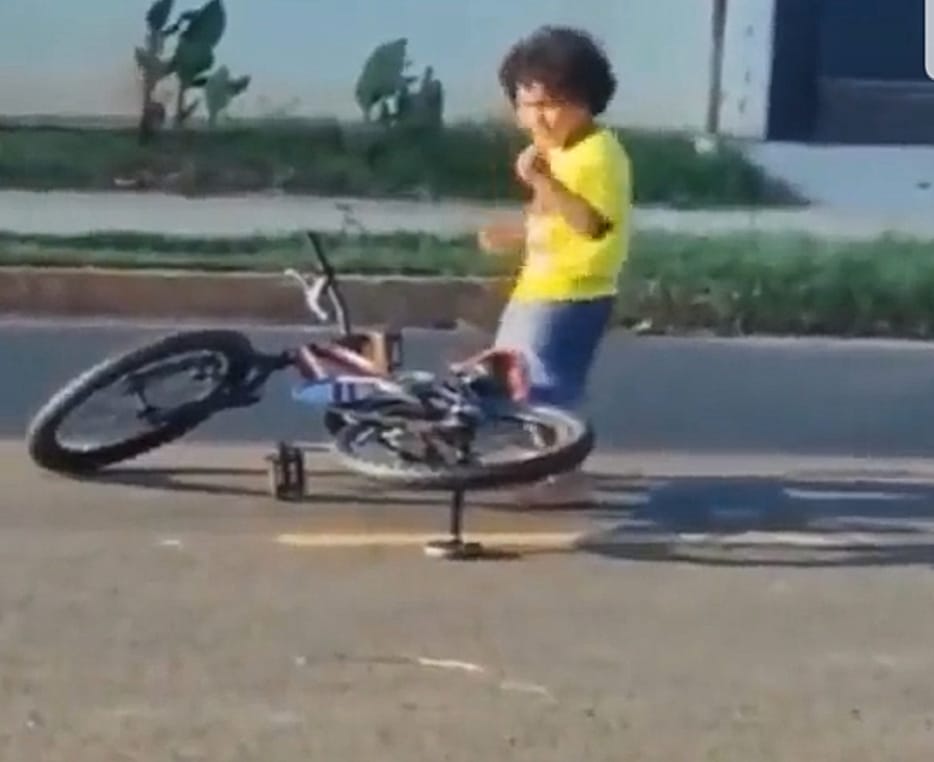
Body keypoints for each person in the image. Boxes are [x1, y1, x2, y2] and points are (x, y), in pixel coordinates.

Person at [478, 25, 632, 507]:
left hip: (573, 291)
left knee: (547, 385)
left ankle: (560, 476)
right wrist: (515, 233)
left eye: (551, 104)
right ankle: (539, 460)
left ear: (587, 100)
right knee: (518, 377)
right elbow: (553, 217)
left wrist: (541, 180)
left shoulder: (596, 154)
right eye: (527, 105)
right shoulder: (560, 150)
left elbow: (590, 223)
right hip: (541, 285)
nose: (537, 118)